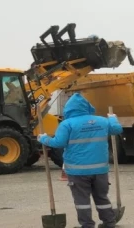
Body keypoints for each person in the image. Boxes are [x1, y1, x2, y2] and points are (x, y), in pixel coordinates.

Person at [38, 93, 123, 228]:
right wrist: (113, 119)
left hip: (77, 171)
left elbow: (58, 143)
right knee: (102, 197)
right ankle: (109, 222)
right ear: (87, 107)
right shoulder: (102, 121)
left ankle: (87, 225)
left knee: (82, 200)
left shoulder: (67, 124)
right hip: (100, 170)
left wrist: (43, 139)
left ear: (68, 109)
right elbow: (117, 129)